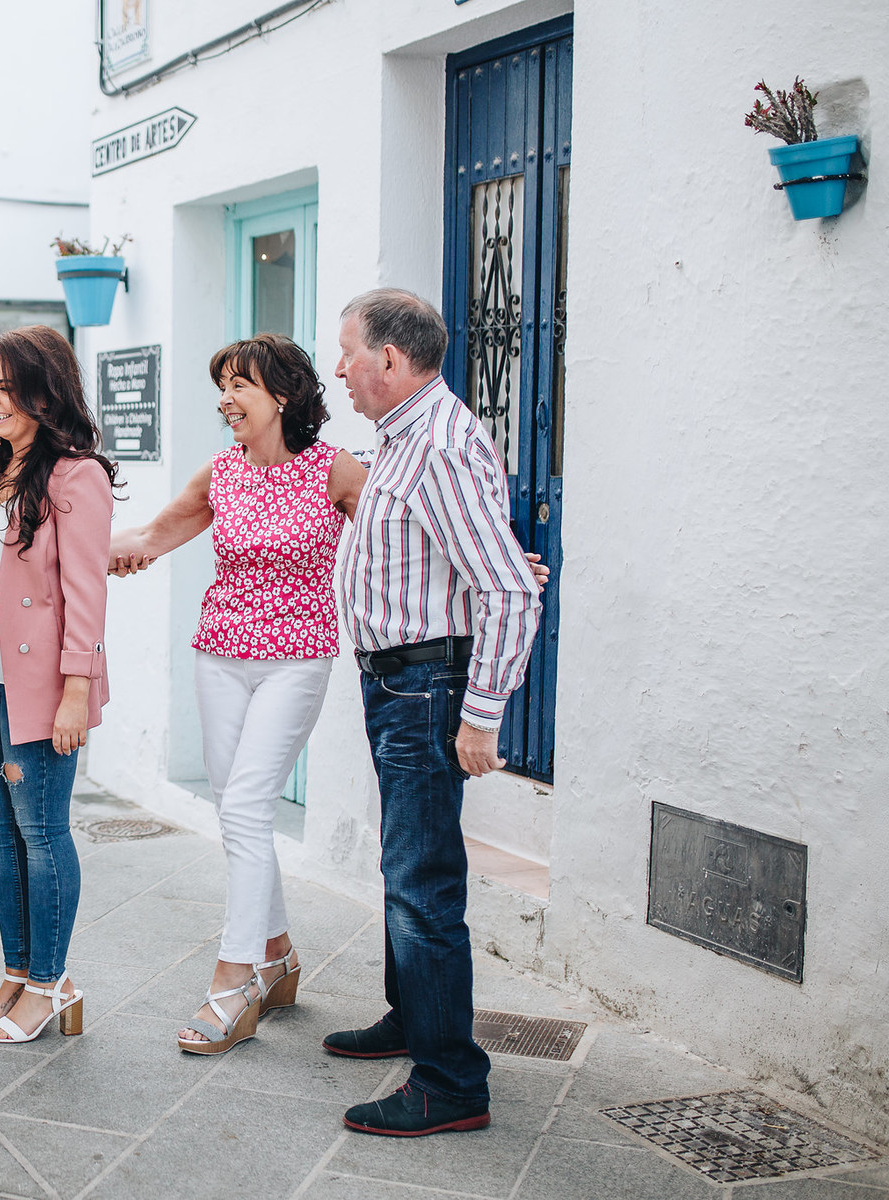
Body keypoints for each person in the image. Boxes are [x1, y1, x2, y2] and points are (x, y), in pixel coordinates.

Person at [108, 334, 366, 1055]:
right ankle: (278, 954)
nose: (225, 399)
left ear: (282, 394)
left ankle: (235, 981)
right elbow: (154, 535)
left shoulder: (334, 471)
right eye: (221, 385)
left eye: (239, 385)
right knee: (237, 810)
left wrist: (492, 561)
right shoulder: (220, 473)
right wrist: (50, 553)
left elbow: (403, 535)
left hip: (296, 660)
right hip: (219, 658)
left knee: (247, 806)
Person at [325, 288, 544, 1136]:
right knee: (404, 866)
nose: (338, 368)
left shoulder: (440, 446)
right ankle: (414, 1018)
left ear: (390, 358)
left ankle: (450, 1079)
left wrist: (481, 717)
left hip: (424, 690)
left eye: (348, 352)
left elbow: (508, 590)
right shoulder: (402, 437)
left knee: (422, 884)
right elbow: (454, 556)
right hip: (397, 683)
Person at [0, 325, 114, 1045]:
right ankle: (20, 972)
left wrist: (76, 689)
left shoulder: (76, 475)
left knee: (41, 834)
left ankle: (49, 984)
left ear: (42, 391)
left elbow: (86, 594)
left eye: (4, 386)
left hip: (41, 687)